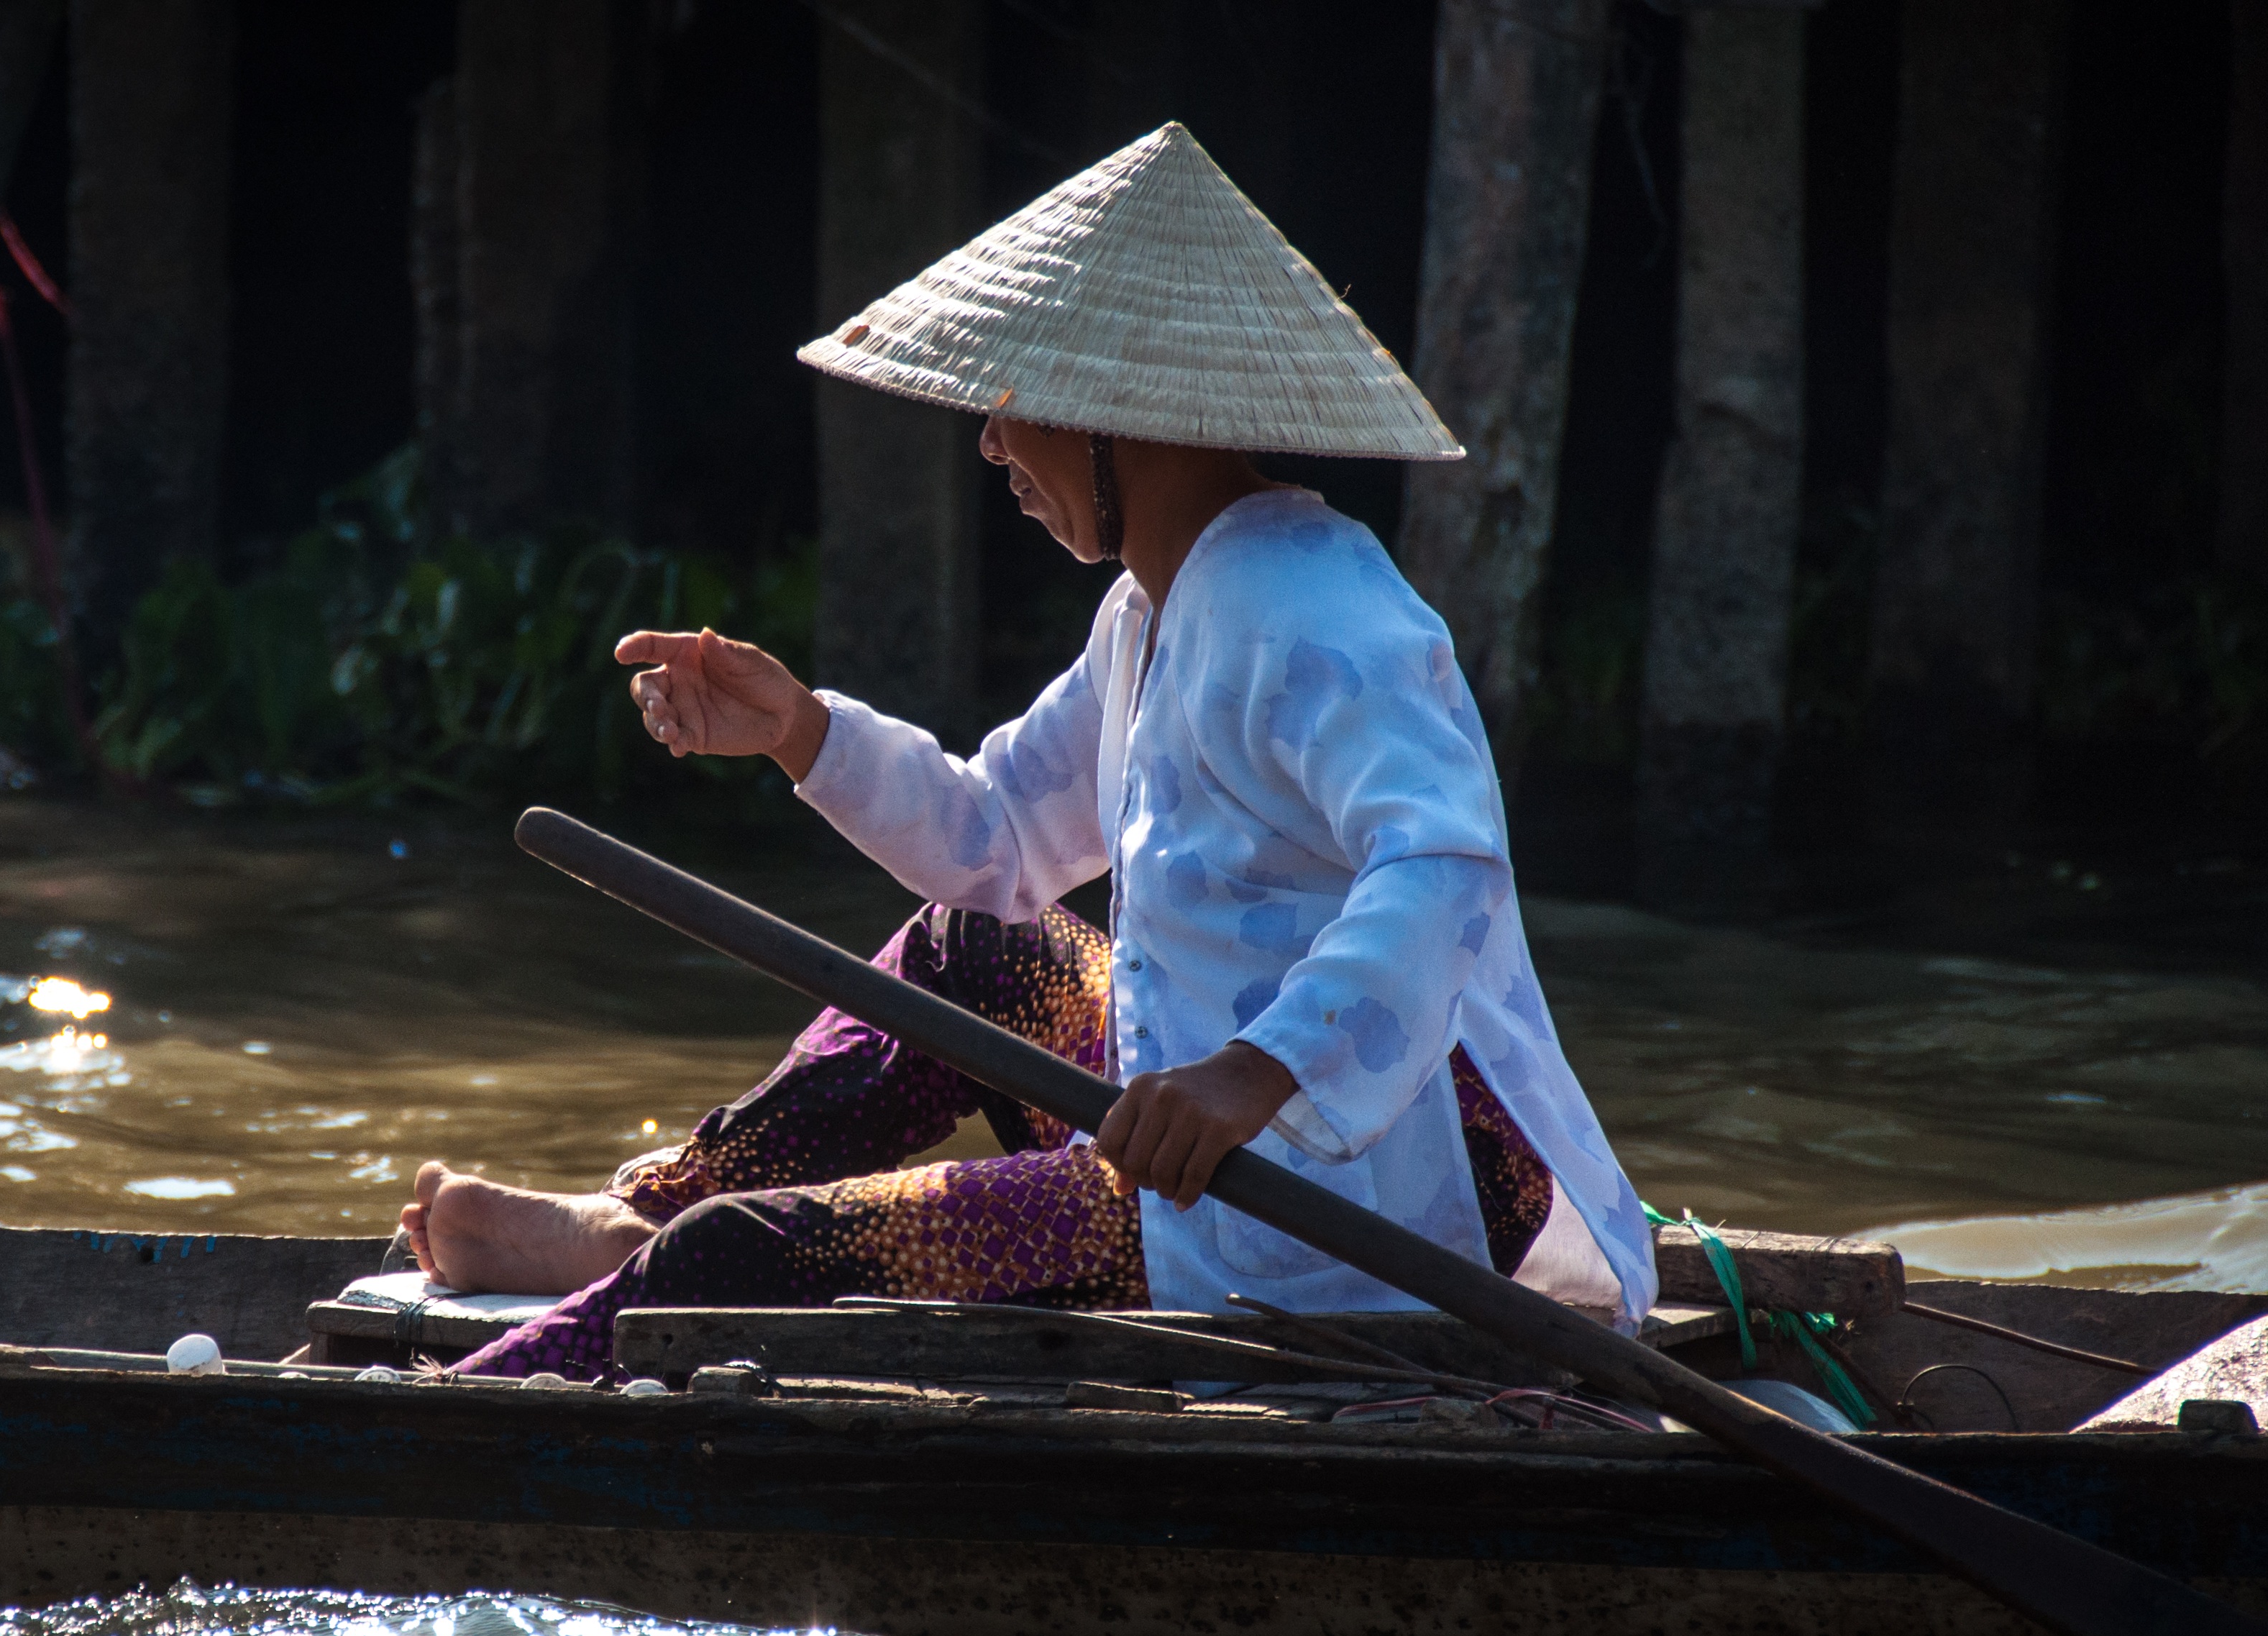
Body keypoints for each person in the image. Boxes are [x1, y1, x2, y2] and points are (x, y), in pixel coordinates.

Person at [401, 123, 1657, 1381]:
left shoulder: (1322, 607)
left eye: (1012, 410)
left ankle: (479, 1399)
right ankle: (645, 1224)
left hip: (1375, 1205)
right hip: (1209, 1140)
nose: (994, 448)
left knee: (739, 1263)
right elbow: (993, 839)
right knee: (968, 948)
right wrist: (797, 729)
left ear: (1117, 415)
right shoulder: (1151, 612)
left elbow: (1442, 868)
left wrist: (1250, 1074)